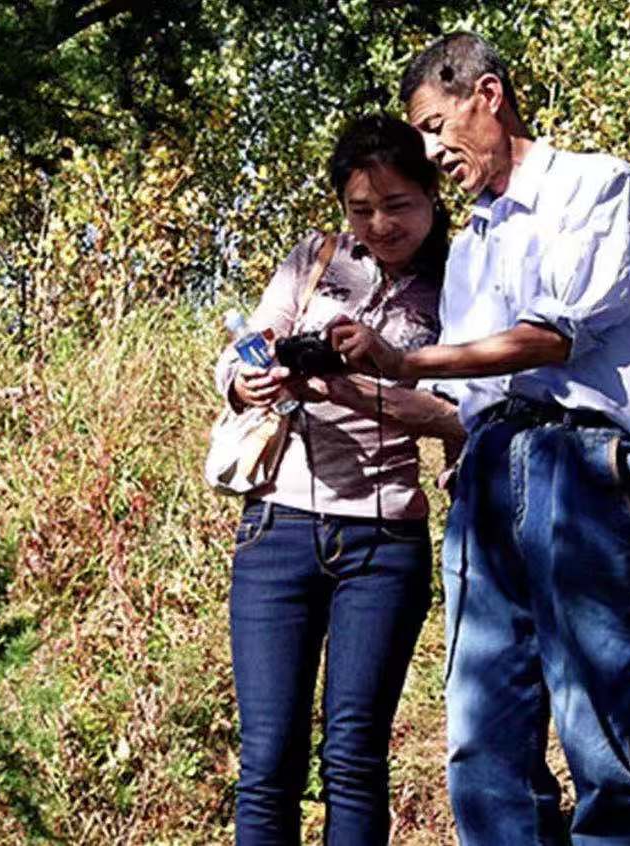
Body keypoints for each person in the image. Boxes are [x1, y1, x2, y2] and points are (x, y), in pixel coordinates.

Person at [331, 32, 630, 846]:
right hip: (486, 470)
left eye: (431, 125)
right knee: (481, 733)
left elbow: (552, 337)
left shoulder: (595, 188)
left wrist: (410, 359)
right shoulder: (473, 242)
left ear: (485, 96)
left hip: (581, 466)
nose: (428, 151)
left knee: (601, 727)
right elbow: (459, 402)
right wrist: (350, 388)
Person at [214, 113, 463, 846]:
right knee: (267, 761)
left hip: (384, 538)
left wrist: (361, 376)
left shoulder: (459, 282)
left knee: (353, 757)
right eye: (361, 208)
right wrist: (247, 382)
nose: (381, 224)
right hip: (276, 529)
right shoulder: (315, 258)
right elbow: (239, 353)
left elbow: (456, 414)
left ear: (431, 196)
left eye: (398, 206)